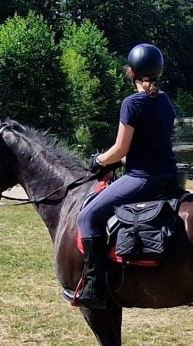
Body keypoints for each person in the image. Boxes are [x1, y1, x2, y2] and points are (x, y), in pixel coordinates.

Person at [72, 42, 179, 308]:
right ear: (158, 72)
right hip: (168, 174)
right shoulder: (164, 100)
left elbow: (121, 147)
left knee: (87, 216)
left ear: (131, 72)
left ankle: (96, 287)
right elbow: (148, 143)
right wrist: (120, 159)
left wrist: (99, 160)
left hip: (143, 178)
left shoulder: (132, 103)